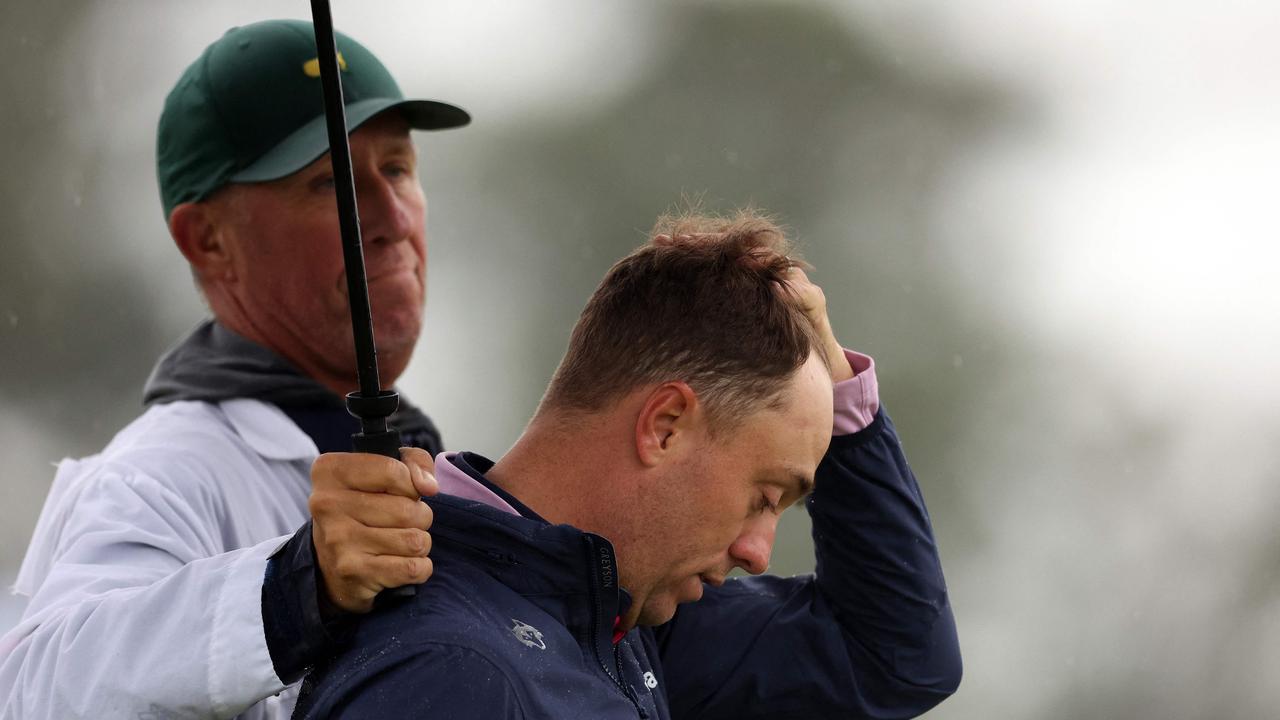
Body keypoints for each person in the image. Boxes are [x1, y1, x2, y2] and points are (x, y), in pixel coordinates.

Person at [292, 211, 963, 719]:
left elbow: (893, 656)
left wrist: (840, 394)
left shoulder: (620, 617)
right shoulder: (453, 672)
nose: (759, 552)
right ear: (664, 427)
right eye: (764, 495)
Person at [0, 19, 464, 720]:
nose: (392, 216)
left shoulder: (433, 456)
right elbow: (34, 693)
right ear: (209, 241)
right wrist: (294, 591)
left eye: (397, 168)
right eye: (330, 184)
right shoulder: (161, 472)